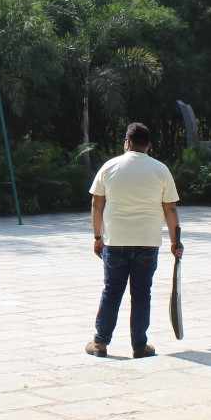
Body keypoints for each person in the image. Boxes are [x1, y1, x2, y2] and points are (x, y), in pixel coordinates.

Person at [85, 122, 183, 359]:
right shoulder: (160, 170)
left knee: (111, 291)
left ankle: (100, 343)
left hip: (115, 241)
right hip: (148, 242)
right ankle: (139, 346)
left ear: (127, 142)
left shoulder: (109, 167)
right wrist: (175, 242)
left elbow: (97, 205)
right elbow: (170, 209)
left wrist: (98, 237)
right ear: (148, 145)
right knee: (142, 294)